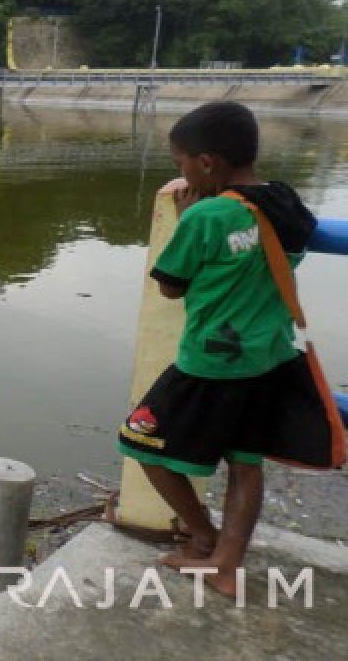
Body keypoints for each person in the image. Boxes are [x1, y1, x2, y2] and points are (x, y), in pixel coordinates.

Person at [117, 101, 316, 598]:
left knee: (141, 442)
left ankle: (202, 535)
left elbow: (171, 286)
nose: (180, 172)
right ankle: (226, 564)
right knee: (246, 464)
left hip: (210, 362)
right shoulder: (285, 203)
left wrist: (188, 216)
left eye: (181, 162)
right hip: (269, 358)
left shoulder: (206, 215)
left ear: (207, 163)